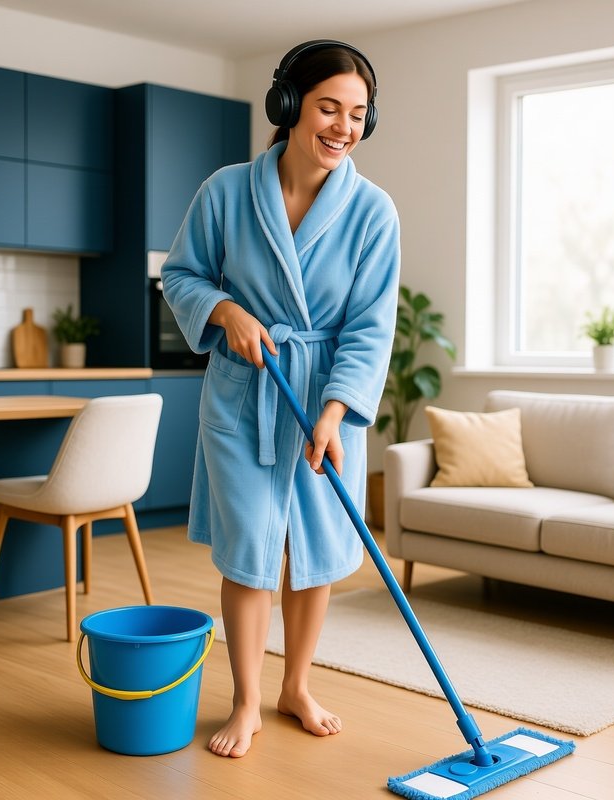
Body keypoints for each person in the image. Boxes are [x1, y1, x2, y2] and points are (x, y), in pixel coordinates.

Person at [161, 39, 400, 759]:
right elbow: (181, 276)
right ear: (288, 106)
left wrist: (334, 415)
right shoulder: (228, 191)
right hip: (245, 395)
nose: (343, 127)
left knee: (315, 548)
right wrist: (226, 312)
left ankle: (295, 685)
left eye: (358, 114)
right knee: (249, 549)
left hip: (325, 396)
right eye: (329, 107)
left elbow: (369, 326)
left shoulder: (373, 212)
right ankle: (244, 701)